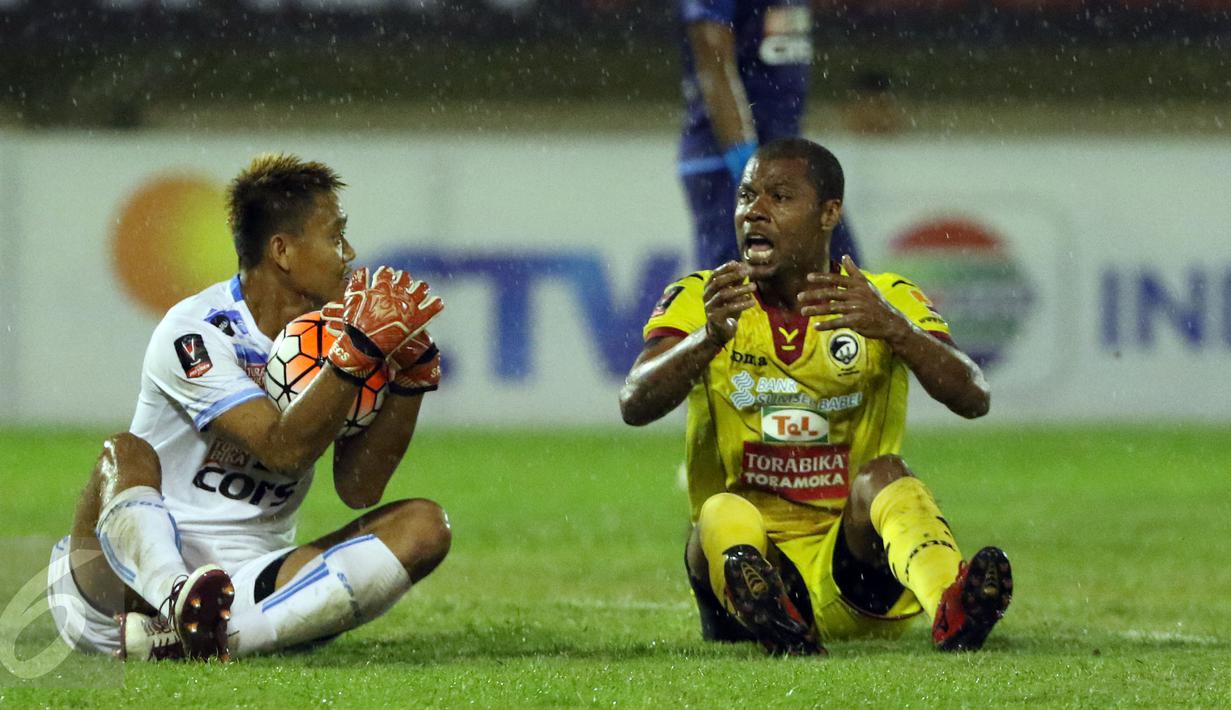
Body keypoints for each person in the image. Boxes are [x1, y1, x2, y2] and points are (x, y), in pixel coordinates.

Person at [47, 154, 451, 661]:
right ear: (282, 250)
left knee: (425, 527)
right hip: (118, 590)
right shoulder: (195, 331)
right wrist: (356, 356)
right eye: (334, 235)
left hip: (248, 578)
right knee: (122, 453)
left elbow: (359, 488)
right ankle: (179, 603)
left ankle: (206, 639)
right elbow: (283, 451)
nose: (348, 252)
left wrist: (410, 381)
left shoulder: (341, 333)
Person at [621, 138, 1012, 655]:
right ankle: (775, 614)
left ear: (829, 213)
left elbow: (973, 396)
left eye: (779, 197)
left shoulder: (882, 298)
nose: (754, 212)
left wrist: (896, 331)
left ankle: (953, 607)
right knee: (720, 510)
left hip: (855, 567)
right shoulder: (707, 298)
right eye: (746, 196)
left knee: (886, 475)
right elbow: (634, 403)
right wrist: (708, 338)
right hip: (743, 570)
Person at [678, 0, 858, 271]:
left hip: (787, 160)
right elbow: (712, 57)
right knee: (737, 290)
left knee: (842, 281)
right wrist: (747, 163)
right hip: (728, 161)